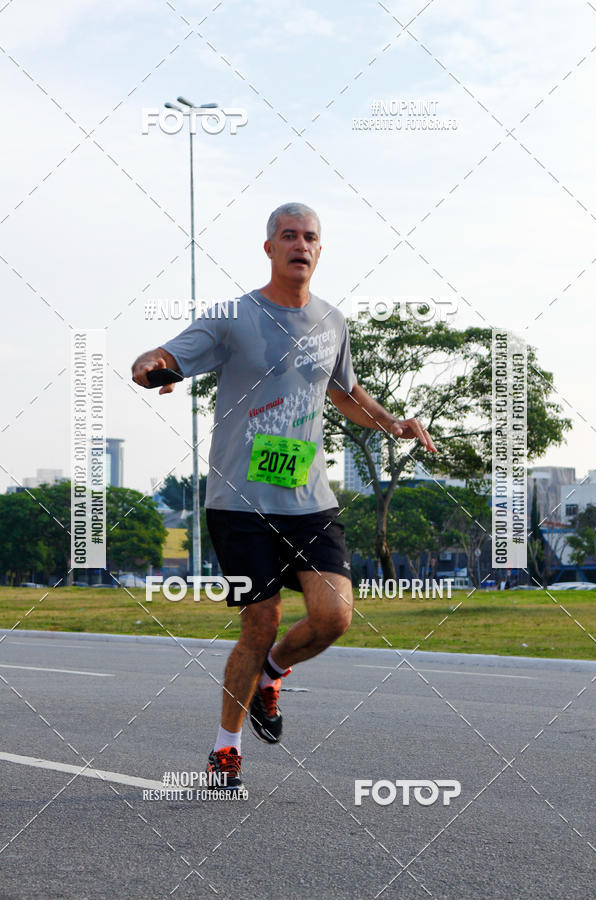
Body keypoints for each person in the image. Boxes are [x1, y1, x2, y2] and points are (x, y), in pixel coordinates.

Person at [131, 202, 437, 793]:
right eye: (289, 235)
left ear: (319, 252)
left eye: (310, 237)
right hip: (240, 502)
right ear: (269, 247)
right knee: (260, 622)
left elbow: (346, 393)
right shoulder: (233, 317)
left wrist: (392, 422)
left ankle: (272, 675)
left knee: (334, 617)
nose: (300, 244)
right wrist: (153, 364)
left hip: (308, 499)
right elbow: (169, 357)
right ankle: (226, 750)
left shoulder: (332, 322)